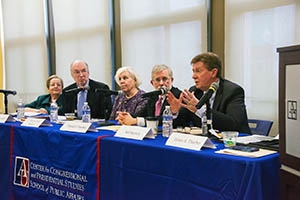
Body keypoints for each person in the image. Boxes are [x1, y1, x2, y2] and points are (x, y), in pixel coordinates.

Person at [167, 52, 251, 133]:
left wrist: (201, 109)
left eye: (198, 71)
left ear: (213, 72)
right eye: (193, 71)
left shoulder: (233, 91)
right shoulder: (195, 91)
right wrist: (175, 112)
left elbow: (234, 124)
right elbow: (182, 123)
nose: (194, 76)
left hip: (234, 142)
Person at [116, 64, 181, 126]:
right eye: (157, 80)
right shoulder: (153, 96)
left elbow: (168, 120)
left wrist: (137, 121)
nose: (161, 83)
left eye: (164, 79)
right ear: (152, 83)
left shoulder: (178, 95)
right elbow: (141, 114)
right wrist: (125, 117)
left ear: (171, 80)